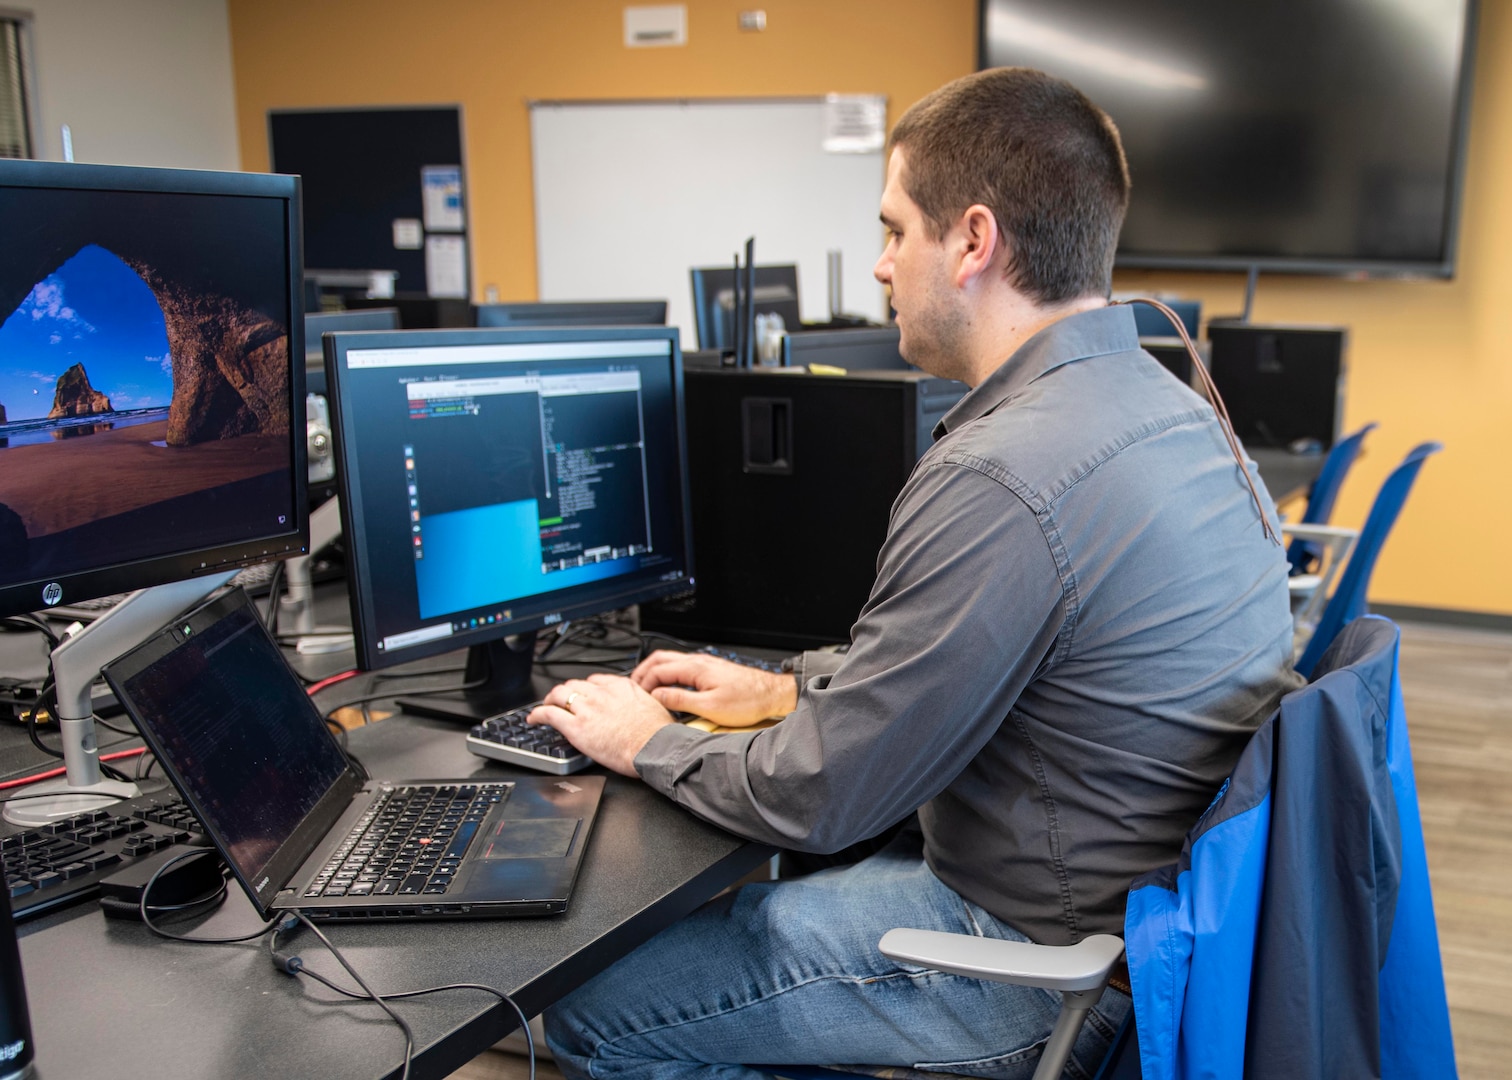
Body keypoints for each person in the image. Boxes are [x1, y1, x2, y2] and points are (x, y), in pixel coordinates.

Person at [527, 66, 1301, 1079]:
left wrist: (651, 742)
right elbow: (992, 659)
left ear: (974, 242)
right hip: (1156, 947)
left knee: (590, 1007)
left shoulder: (1003, 471)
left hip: (1040, 970)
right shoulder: (1177, 406)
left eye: (895, 230)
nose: (883, 265)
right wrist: (788, 686)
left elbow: (823, 800)